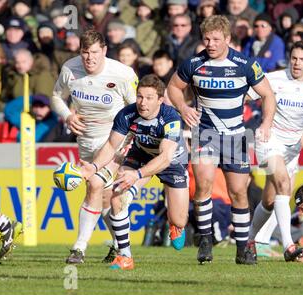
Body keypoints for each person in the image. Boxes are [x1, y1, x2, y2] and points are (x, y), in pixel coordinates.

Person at [167, 15, 276, 265]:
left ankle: (242, 248)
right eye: (207, 38)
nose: (211, 43)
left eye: (216, 39)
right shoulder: (193, 63)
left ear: (228, 39)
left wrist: (266, 123)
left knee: (238, 192)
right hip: (205, 134)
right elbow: (173, 87)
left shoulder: (245, 64)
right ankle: (205, 241)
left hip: (237, 136)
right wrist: (183, 109)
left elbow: (268, 94)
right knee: (202, 187)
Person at [80, 74, 189, 270]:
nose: (142, 102)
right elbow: (111, 145)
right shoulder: (127, 114)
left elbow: (164, 158)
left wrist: (137, 175)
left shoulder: (171, 117)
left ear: (160, 100)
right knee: (116, 196)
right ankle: (125, 256)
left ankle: (175, 224)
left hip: (171, 161)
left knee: (179, 218)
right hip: (140, 155)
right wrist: (94, 166)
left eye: (148, 98)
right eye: (139, 96)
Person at [51, 29, 138, 264]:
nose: (89, 58)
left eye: (95, 53)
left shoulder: (122, 74)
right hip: (86, 140)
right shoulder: (70, 68)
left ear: (105, 51)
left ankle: (79, 249)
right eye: (85, 52)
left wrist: (130, 139)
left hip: (115, 140)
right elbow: (56, 97)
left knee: (95, 185)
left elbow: (138, 109)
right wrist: (68, 116)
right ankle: (120, 247)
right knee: (106, 198)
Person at [246, 41, 303, 261]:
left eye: (302, 59)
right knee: (283, 184)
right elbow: (245, 96)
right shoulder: (272, 79)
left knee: (270, 200)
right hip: (268, 137)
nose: (297, 63)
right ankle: (289, 246)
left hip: (293, 146)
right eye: (294, 58)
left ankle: (249, 241)